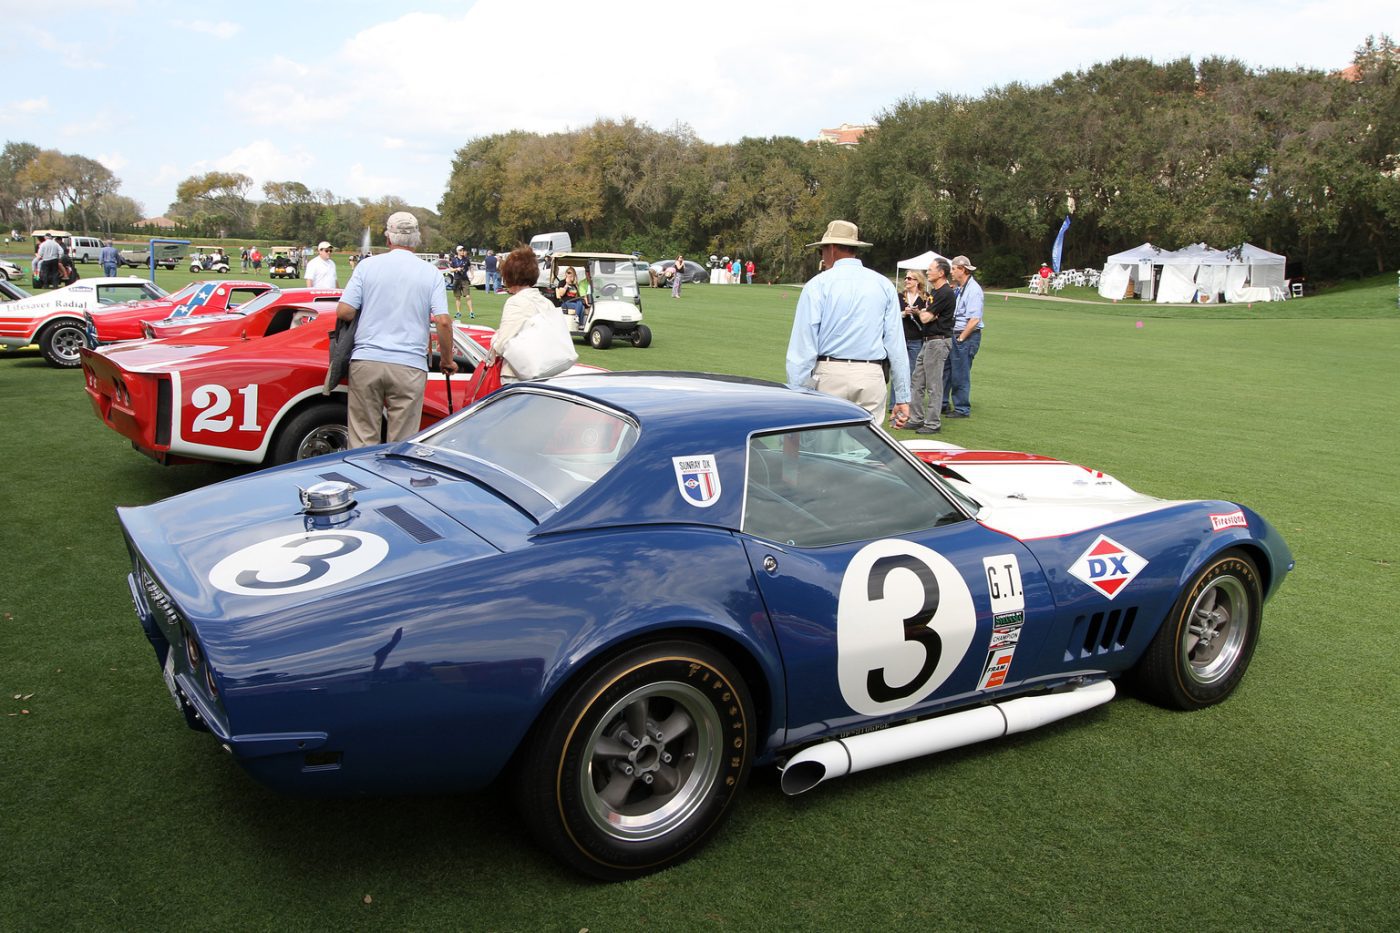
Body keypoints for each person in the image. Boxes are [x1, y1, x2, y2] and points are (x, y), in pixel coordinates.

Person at [334, 211, 456, 449]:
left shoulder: (367, 266)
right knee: (401, 444)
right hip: (409, 364)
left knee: (362, 440)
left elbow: (344, 311)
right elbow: (442, 321)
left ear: (389, 238)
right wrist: (447, 360)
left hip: (367, 359)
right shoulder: (430, 272)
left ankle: (363, 484)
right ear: (417, 239)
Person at [785, 220, 910, 427]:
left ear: (832, 249)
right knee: (868, 452)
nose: (822, 258)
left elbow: (803, 347)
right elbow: (896, 345)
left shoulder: (818, 285)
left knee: (825, 449)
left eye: (821, 251)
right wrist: (903, 396)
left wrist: (796, 393)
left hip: (829, 374)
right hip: (871, 375)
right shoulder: (883, 285)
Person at [494, 245, 559, 379]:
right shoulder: (547, 303)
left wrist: (495, 338)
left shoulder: (516, 302)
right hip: (545, 374)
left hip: (517, 375)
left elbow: (501, 345)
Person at [909, 258, 955, 434]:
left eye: (930, 269)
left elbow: (926, 318)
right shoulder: (934, 293)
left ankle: (933, 423)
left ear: (941, 272)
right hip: (928, 340)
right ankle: (916, 418)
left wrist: (922, 312)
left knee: (934, 384)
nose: (927, 272)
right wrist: (925, 313)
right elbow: (928, 315)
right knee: (917, 380)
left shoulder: (944, 293)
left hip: (938, 341)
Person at [943, 255, 984, 419]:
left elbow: (974, 319)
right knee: (946, 371)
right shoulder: (960, 288)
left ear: (963, 270)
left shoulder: (973, 290)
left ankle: (961, 408)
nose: (951, 271)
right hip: (955, 333)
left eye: (954, 268)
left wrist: (961, 338)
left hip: (965, 336)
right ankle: (943, 403)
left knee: (960, 373)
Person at [449, 246, 476, 319]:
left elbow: (470, 267)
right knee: (458, 297)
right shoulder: (454, 260)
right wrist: (456, 269)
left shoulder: (466, 259)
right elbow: (450, 269)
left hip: (464, 279)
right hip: (457, 279)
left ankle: (471, 312)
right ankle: (458, 313)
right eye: (460, 250)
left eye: (463, 250)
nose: (462, 251)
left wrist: (472, 274)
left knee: (468, 296)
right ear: (457, 251)